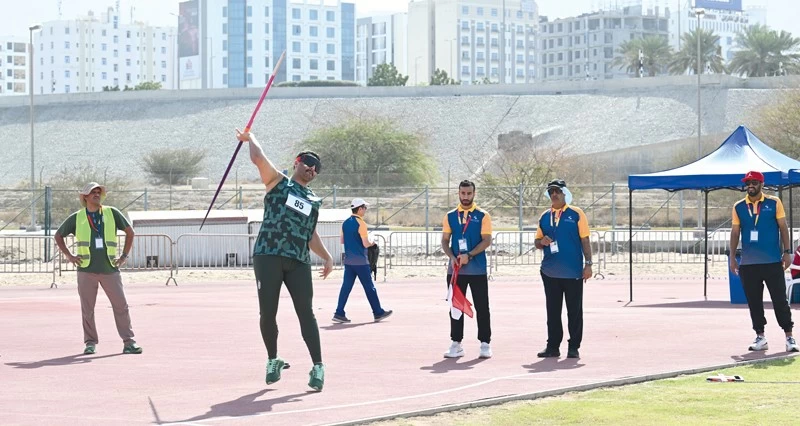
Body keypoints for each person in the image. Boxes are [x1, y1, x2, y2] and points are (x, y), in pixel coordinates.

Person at [237, 129, 335, 391]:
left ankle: (318, 366)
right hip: (268, 255)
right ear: (297, 162)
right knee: (268, 313)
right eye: (308, 163)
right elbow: (258, 158)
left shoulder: (313, 200)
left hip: (298, 260)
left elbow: (310, 233)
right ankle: (273, 360)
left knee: (307, 313)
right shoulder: (278, 182)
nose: (312, 169)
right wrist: (251, 137)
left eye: (317, 168)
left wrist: (326, 257)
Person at [54, 182, 141, 355]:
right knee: (88, 309)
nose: (96, 194)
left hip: (110, 268)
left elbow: (130, 233)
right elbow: (58, 235)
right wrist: (70, 256)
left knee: (121, 306)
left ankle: (129, 341)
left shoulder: (111, 213)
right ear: (84, 197)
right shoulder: (77, 217)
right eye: (92, 192)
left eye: (98, 192)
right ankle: (90, 342)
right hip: (86, 270)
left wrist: (124, 256)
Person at [729, 171, 798, 352]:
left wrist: (787, 252)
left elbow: (783, 227)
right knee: (754, 302)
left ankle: (789, 336)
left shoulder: (774, 202)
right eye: (748, 182)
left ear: (761, 184)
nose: (750, 185)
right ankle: (760, 336)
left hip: (772, 261)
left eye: (754, 182)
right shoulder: (739, 206)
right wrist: (732, 258)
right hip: (749, 264)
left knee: (779, 300)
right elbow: (735, 233)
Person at [534, 179, 592, 359]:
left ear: (564, 193)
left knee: (574, 311)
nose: (554, 195)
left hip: (573, 271)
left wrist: (588, 264)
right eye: (551, 192)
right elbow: (537, 241)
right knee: (552, 311)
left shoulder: (576, 214)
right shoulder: (545, 216)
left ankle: (573, 346)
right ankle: (552, 346)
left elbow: (585, 240)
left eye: (557, 191)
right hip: (550, 272)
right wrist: (541, 242)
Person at [441, 180, 493, 359]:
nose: (465, 197)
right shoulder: (450, 216)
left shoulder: (482, 215)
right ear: (458, 193)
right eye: (462, 193)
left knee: (482, 307)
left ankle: (485, 343)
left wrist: (469, 255)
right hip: (455, 271)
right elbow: (445, 241)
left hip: (477, 270)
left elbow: (486, 240)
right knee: (455, 307)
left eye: (469, 194)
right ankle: (456, 343)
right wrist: (452, 257)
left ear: (474, 194)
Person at [332, 198, 392, 323]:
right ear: (359, 209)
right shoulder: (361, 223)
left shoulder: (345, 223)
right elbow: (365, 244)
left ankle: (339, 312)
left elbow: (342, 241)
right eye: (364, 208)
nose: (365, 210)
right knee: (369, 287)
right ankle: (378, 312)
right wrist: (372, 242)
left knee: (346, 287)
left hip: (349, 261)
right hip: (360, 261)